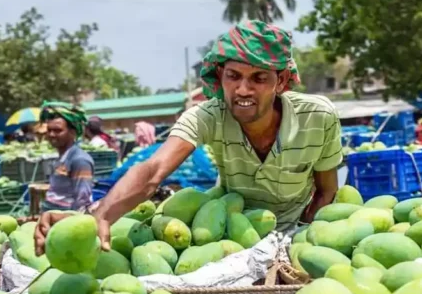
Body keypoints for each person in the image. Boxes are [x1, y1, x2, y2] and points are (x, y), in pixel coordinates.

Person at [34, 20, 342, 254]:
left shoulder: (318, 116)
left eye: (259, 78)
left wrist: (304, 235)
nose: (243, 90)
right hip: (230, 234)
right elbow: (153, 171)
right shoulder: (207, 115)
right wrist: (98, 216)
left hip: (295, 233)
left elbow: (326, 191)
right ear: (220, 77)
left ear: (282, 81)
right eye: (233, 76)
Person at [39, 101, 95, 213]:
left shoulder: (80, 160)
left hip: (63, 222)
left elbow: (82, 202)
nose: (51, 135)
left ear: (73, 132)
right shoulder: (61, 158)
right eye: (49, 130)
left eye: (58, 130)